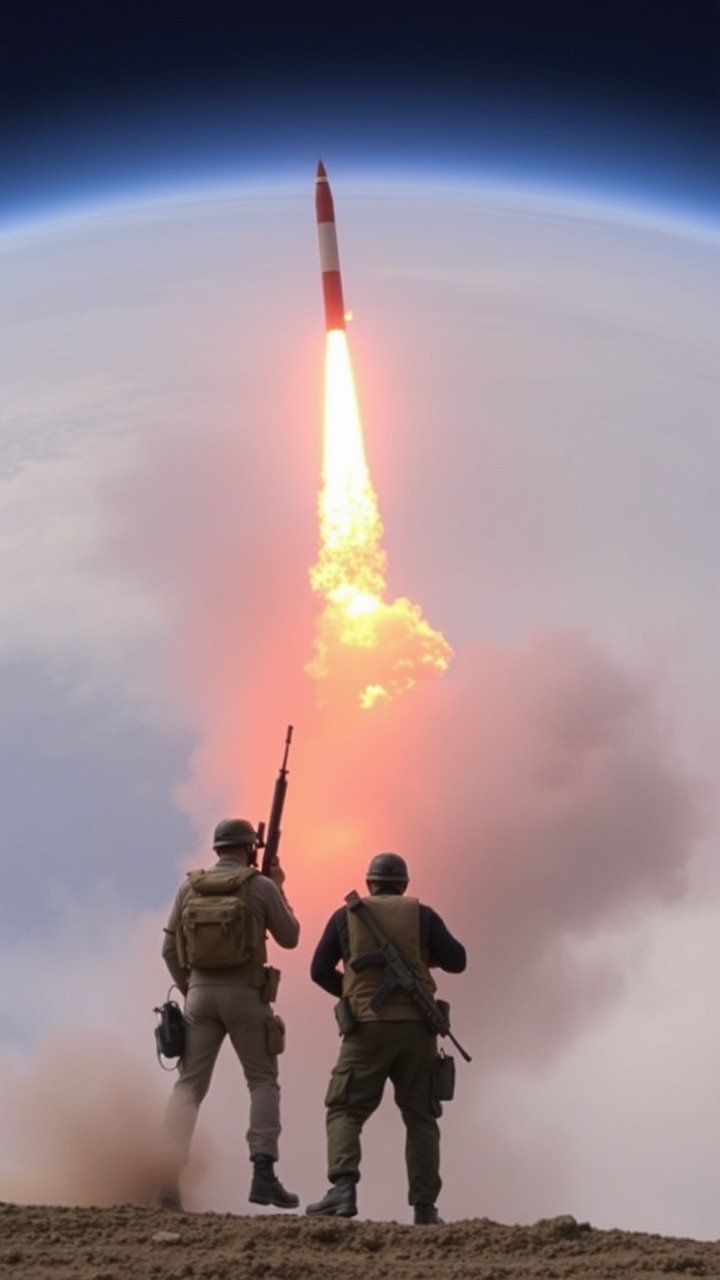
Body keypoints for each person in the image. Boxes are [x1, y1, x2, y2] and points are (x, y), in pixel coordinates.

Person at [306, 851, 466, 1225]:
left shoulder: (345, 916)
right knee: (421, 1119)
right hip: (417, 1030)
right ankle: (425, 1208)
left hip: (366, 1030)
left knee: (345, 1109)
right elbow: (458, 961)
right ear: (404, 885)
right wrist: (423, 955)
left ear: (370, 883)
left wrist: (353, 994)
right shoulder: (423, 916)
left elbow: (318, 970)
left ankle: (343, 1190)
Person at [157, 817, 300, 1212]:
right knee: (262, 1081)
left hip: (200, 995)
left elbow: (168, 949)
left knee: (189, 1086)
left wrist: (191, 990)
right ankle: (263, 1173)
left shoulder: (190, 886)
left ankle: (166, 1176)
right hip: (246, 993)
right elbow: (290, 937)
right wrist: (278, 885)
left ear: (217, 847)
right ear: (250, 847)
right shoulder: (261, 886)